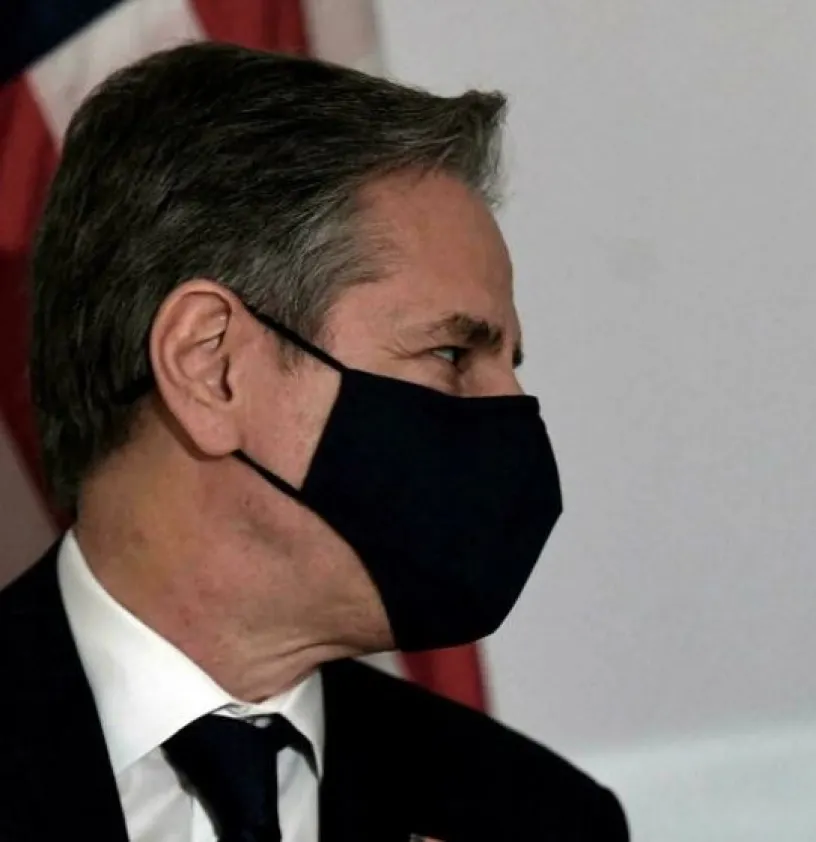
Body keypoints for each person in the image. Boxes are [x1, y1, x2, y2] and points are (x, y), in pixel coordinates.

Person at [0, 41, 628, 841]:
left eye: (510, 365)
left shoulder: (535, 818)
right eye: (452, 355)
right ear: (212, 364)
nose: (513, 414)